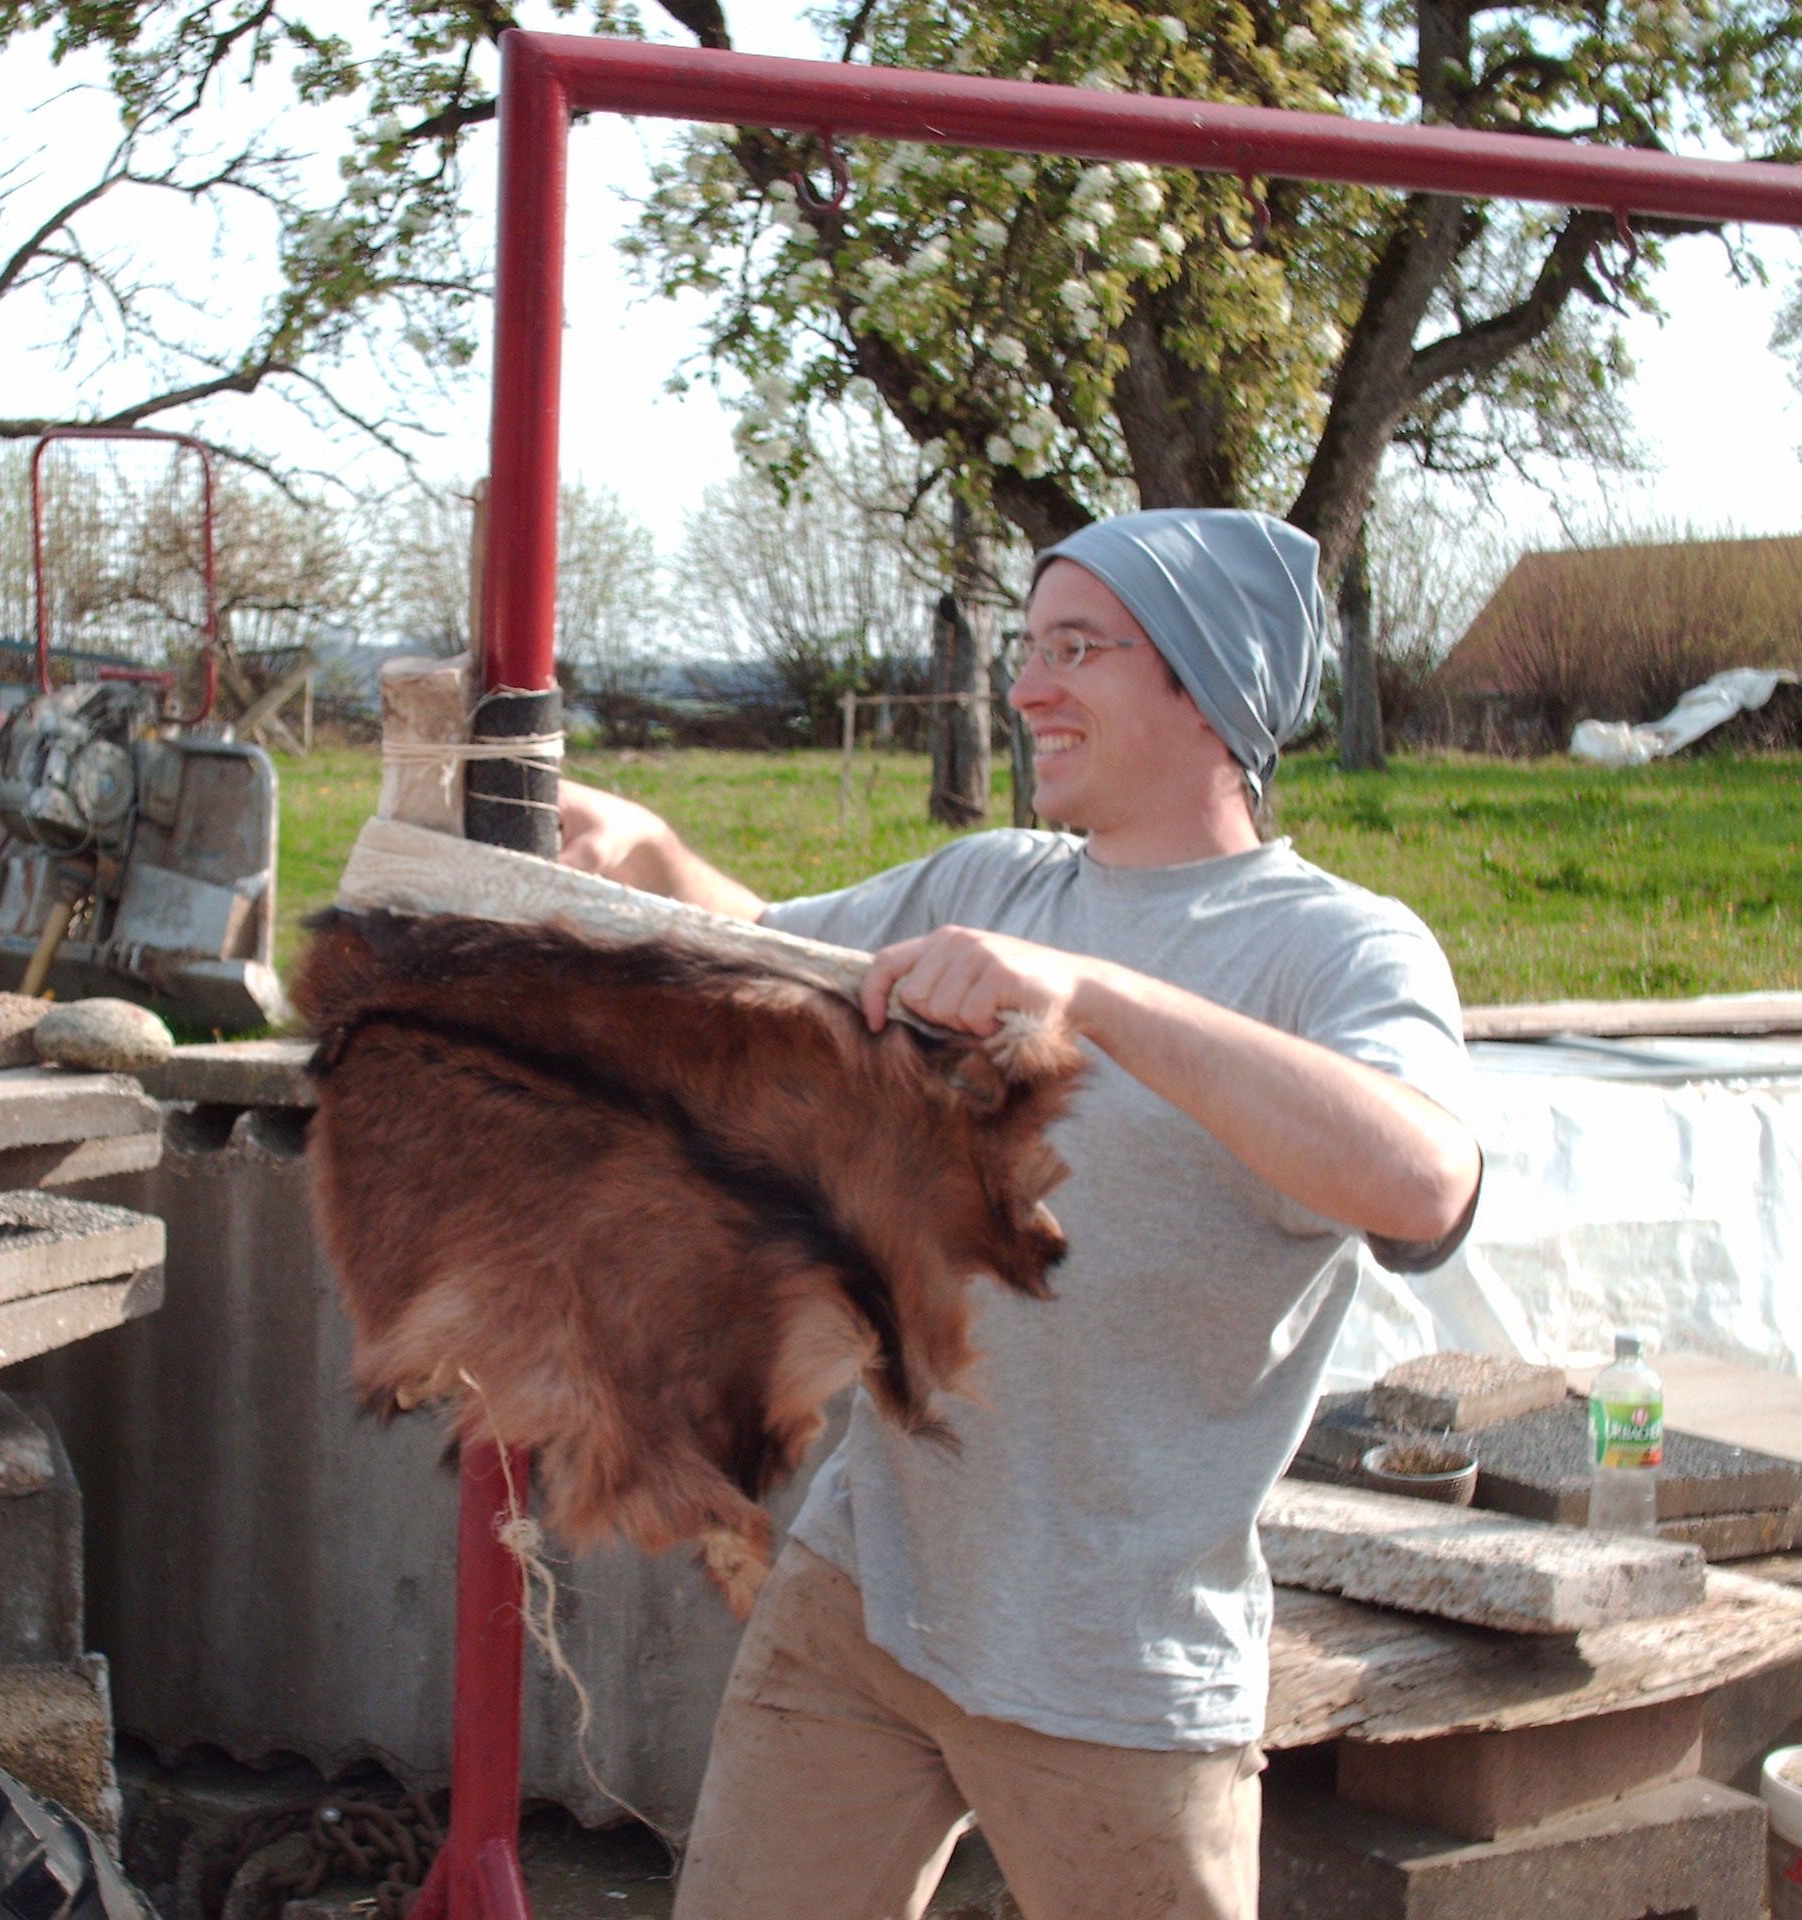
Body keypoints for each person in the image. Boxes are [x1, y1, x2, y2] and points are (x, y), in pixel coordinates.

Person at [555, 508, 1483, 1920]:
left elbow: (1423, 1180)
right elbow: (783, 960)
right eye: (1026, 646)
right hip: (869, 1596)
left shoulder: (1334, 946)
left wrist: (1093, 997)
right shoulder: (989, 881)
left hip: (1111, 1659)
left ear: (1206, 684)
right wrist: (652, 850)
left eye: (1076, 649)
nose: (1027, 687)